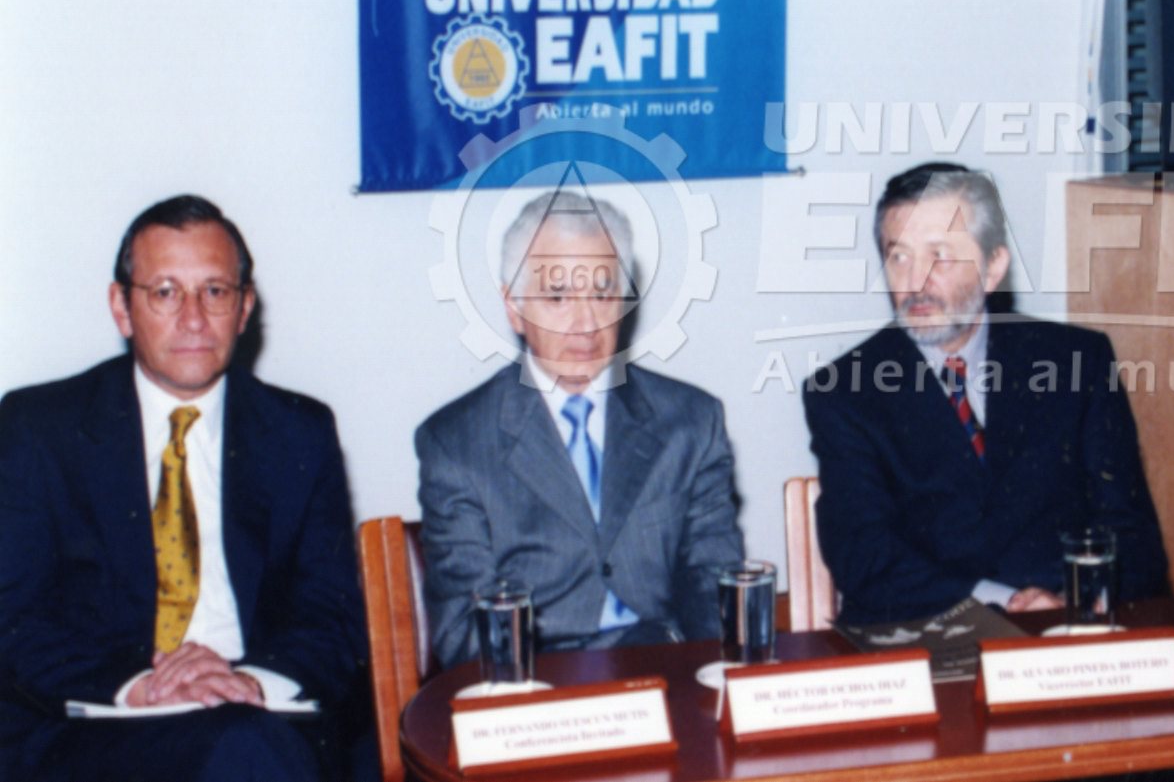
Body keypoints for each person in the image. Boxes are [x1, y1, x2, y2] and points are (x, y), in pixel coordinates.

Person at [0, 195, 368, 782]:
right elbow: (15, 620)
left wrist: (248, 684)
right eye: (166, 292)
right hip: (100, 723)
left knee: (255, 746)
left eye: (215, 291)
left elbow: (333, 617)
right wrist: (142, 685)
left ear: (244, 308)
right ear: (122, 307)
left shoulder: (299, 432)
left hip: (256, 712)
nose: (193, 318)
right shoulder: (40, 429)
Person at [804, 162, 1168, 625]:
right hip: (923, 634)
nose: (915, 282)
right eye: (899, 257)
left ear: (993, 268)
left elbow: (1133, 538)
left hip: (1069, 625)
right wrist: (1002, 603)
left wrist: (1071, 603)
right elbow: (866, 558)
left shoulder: (1077, 362)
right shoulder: (844, 392)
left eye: (939, 256)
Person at [417, 191, 743, 667]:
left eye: (603, 294)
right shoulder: (457, 444)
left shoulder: (691, 422)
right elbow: (463, 635)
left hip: (668, 670)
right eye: (557, 297)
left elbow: (715, 587)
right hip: (536, 684)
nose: (585, 323)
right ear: (514, 308)